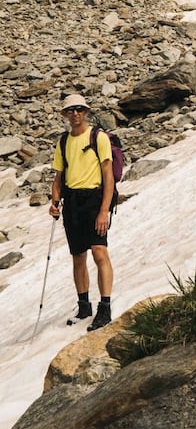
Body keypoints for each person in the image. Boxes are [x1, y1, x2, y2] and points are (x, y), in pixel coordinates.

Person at [50, 93, 115, 329]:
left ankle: (105, 307)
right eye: (70, 110)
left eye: (79, 109)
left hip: (94, 199)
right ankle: (84, 305)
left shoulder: (98, 137)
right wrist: (55, 201)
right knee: (78, 256)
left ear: (86, 111)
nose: (75, 113)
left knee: (99, 251)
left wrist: (104, 210)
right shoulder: (63, 142)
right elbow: (58, 177)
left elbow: (108, 176)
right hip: (73, 202)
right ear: (65, 115)